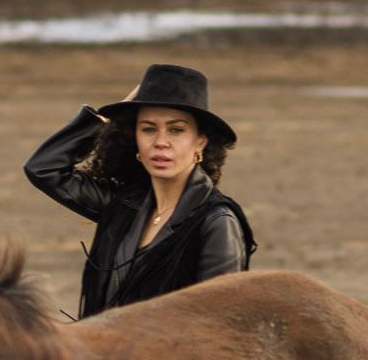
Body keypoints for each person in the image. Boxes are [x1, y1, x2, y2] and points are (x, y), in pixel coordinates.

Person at [24, 63, 256, 319]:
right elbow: (44, 169)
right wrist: (103, 122)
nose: (160, 142)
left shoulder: (216, 223)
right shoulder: (123, 205)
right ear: (134, 136)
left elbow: (221, 323)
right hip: (103, 353)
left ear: (200, 141)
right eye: (148, 129)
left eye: (176, 130)